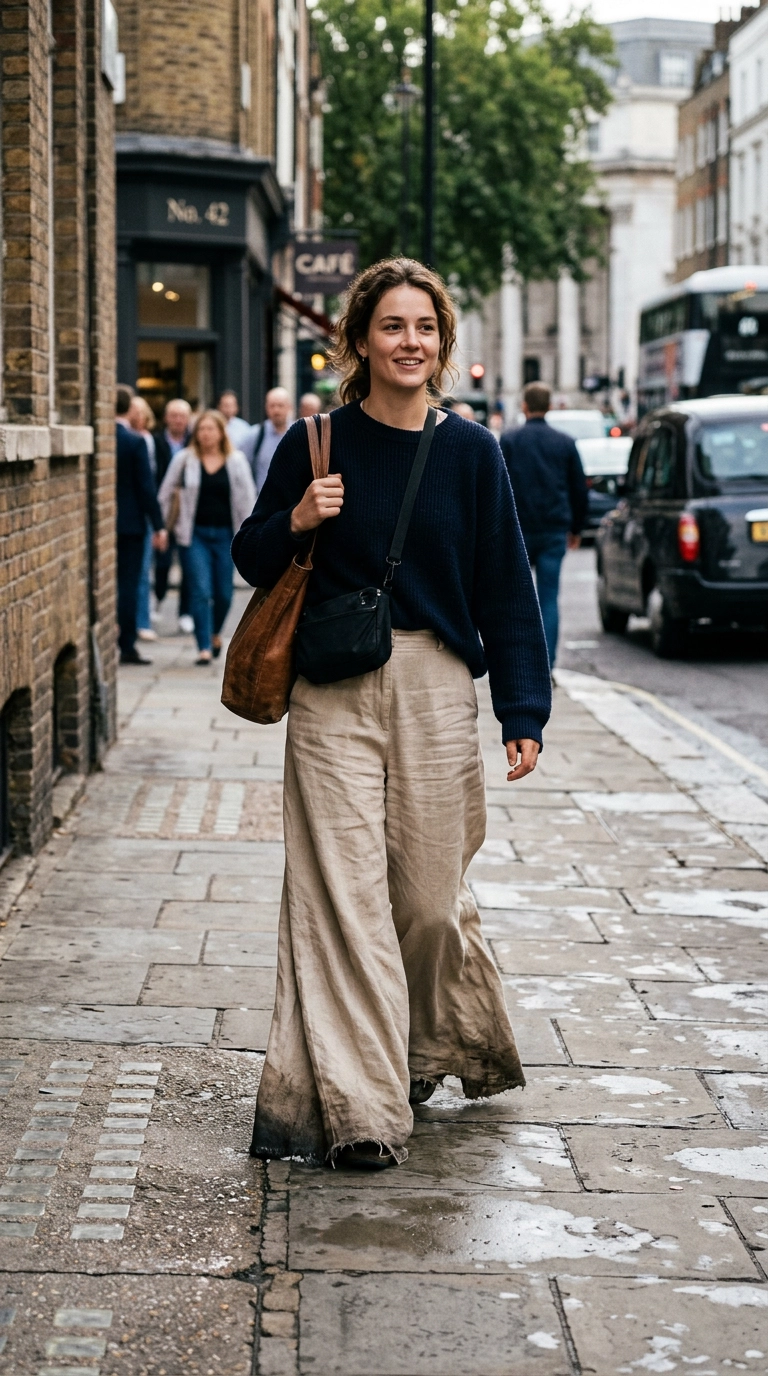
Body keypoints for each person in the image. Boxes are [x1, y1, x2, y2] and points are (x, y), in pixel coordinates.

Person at [232, 257, 551, 1170]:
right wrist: (297, 517)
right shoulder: (314, 443)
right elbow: (253, 559)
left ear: (441, 344)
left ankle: (420, 1044)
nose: (409, 343)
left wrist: (522, 706)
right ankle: (362, 1108)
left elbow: (507, 588)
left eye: (424, 329)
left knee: (425, 903)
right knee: (344, 899)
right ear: (359, 342)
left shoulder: (473, 452)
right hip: (331, 691)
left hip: (437, 689)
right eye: (391, 328)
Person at [499, 380, 588, 670]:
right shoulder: (565, 442)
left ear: (524, 406)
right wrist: (576, 528)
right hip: (553, 529)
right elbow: (579, 490)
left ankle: (519, 662)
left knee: (515, 599)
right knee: (548, 598)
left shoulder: (510, 441)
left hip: (519, 530)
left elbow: (499, 487)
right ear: (550, 407)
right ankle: (546, 665)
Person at [159, 409, 256, 665]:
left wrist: (251, 535)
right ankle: (203, 646)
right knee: (201, 590)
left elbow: (248, 501)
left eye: (211, 429)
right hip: (194, 536)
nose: (206, 434)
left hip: (226, 536)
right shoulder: (184, 459)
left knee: (224, 593)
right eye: (201, 429)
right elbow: (166, 493)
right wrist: (161, 528)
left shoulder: (236, 461)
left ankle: (214, 633)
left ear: (221, 432)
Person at [116, 385, 167, 665]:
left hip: (102, 525)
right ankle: (127, 645)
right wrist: (158, 525)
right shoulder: (134, 442)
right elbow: (146, 489)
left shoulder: (104, 438)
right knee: (129, 585)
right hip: (132, 525)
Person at [154, 399, 194, 633]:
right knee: (163, 561)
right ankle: (158, 598)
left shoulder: (194, 443)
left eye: (182, 416)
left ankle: (185, 612)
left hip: (188, 511)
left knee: (189, 566)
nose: (178, 420)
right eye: (174, 415)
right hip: (166, 509)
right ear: (166, 418)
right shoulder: (157, 442)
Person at [127, 395, 159, 643]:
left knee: (143, 571)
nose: (134, 415)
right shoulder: (131, 440)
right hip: (136, 512)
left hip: (145, 512)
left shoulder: (147, 441)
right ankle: (135, 620)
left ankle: (142, 619)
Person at [241, 387, 292, 493]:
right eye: (272, 406)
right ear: (266, 408)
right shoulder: (255, 435)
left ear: (289, 407)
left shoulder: (298, 434)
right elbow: (242, 469)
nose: (276, 410)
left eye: (280, 405)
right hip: (263, 502)